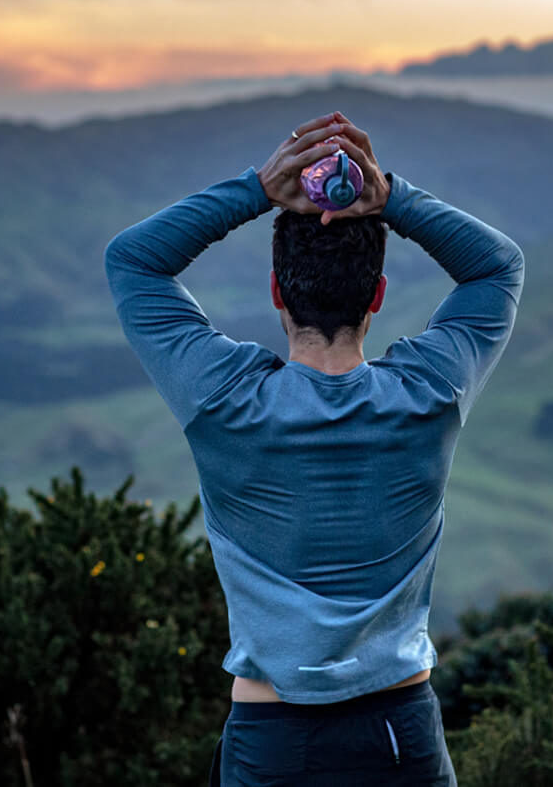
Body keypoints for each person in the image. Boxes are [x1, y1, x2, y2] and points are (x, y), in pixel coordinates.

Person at [104, 110, 525, 786]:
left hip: (273, 738)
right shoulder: (430, 393)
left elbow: (133, 260)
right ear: (378, 295)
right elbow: (497, 268)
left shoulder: (223, 398)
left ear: (277, 292)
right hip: (402, 732)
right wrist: (392, 196)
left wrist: (258, 189)